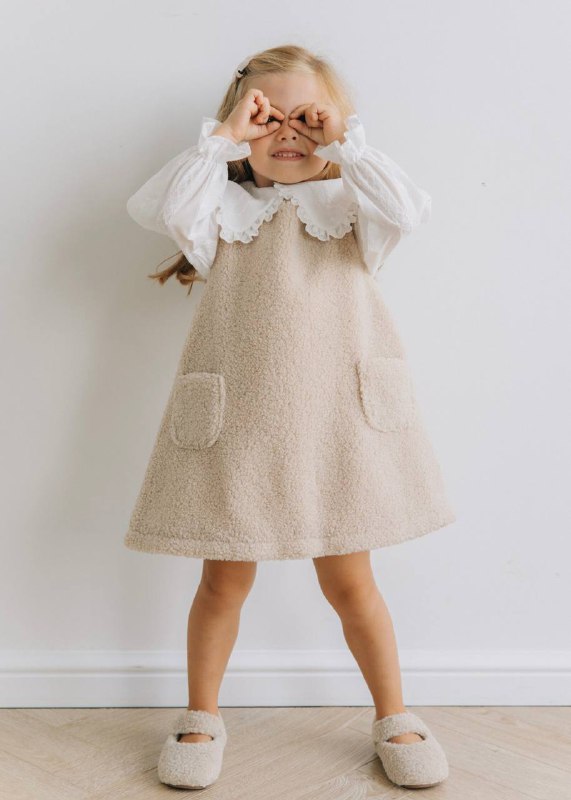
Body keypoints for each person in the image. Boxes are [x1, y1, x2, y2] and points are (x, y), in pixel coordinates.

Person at [123, 44, 456, 791]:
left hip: (339, 426)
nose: (287, 133)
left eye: (305, 118)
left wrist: (347, 144)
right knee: (221, 581)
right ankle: (201, 715)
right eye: (267, 118)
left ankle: (395, 715)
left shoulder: (354, 210)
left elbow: (411, 208)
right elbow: (155, 208)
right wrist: (221, 140)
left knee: (353, 585)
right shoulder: (220, 212)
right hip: (239, 427)